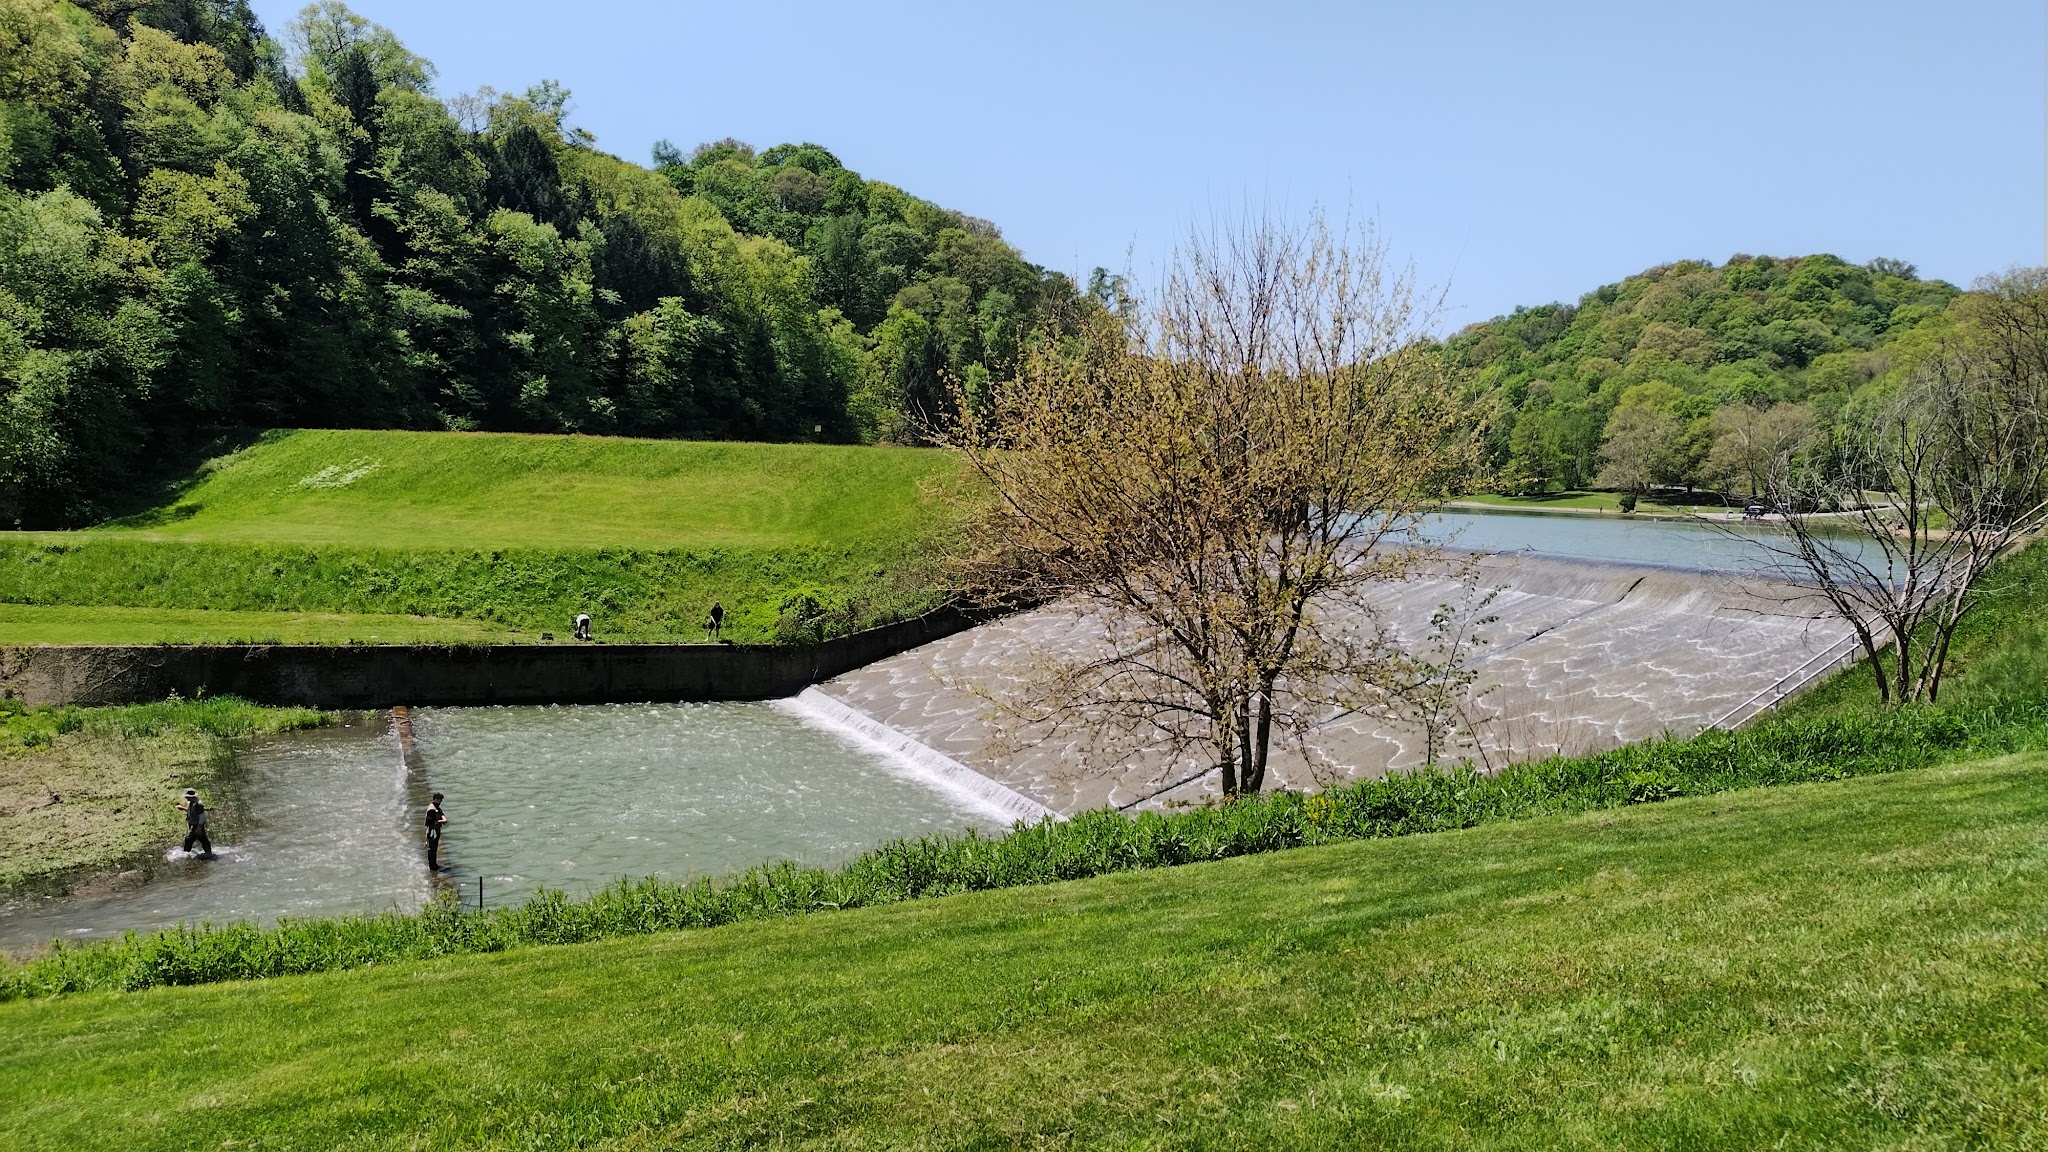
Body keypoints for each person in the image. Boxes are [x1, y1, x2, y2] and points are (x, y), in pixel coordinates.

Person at [176, 788, 213, 858]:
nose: (186, 798)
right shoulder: (192, 803)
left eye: (187, 797)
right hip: (195, 824)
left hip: (197, 825)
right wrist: (183, 808)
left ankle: (186, 854)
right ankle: (208, 853)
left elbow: (202, 817)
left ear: (191, 797)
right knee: (203, 839)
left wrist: (199, 827)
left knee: (188, 839)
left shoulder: (198, 805)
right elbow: (193, 812)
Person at [424, 792, 449, 870]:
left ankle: (434, 864)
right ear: (434, 799)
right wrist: (442, 821)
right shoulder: (431, 809)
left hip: (435, 830)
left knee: (434, 848)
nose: (440, 801)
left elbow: (441, 814)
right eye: (438, 799)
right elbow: (429, 822)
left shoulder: (436, 807)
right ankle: (432, 866)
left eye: (440, 799)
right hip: (432, 831)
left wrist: (443, 820)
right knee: (432, 848)